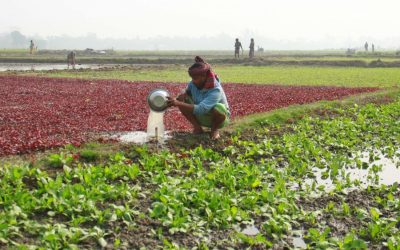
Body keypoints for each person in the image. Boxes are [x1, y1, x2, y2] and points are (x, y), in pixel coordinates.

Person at [167, 56, 230, 140]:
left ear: (204, 76)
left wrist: (178, 103)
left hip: (219, 119)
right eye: (192, 78)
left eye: (195, 78)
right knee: (183, 100)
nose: (193, 81)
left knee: (218, 108)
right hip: (202, 117)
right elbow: (186, 92)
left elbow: (201, 109)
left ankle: (214, 130)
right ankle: (197, 128)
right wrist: (178, 98)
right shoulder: (193, 84)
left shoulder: (215, 90)